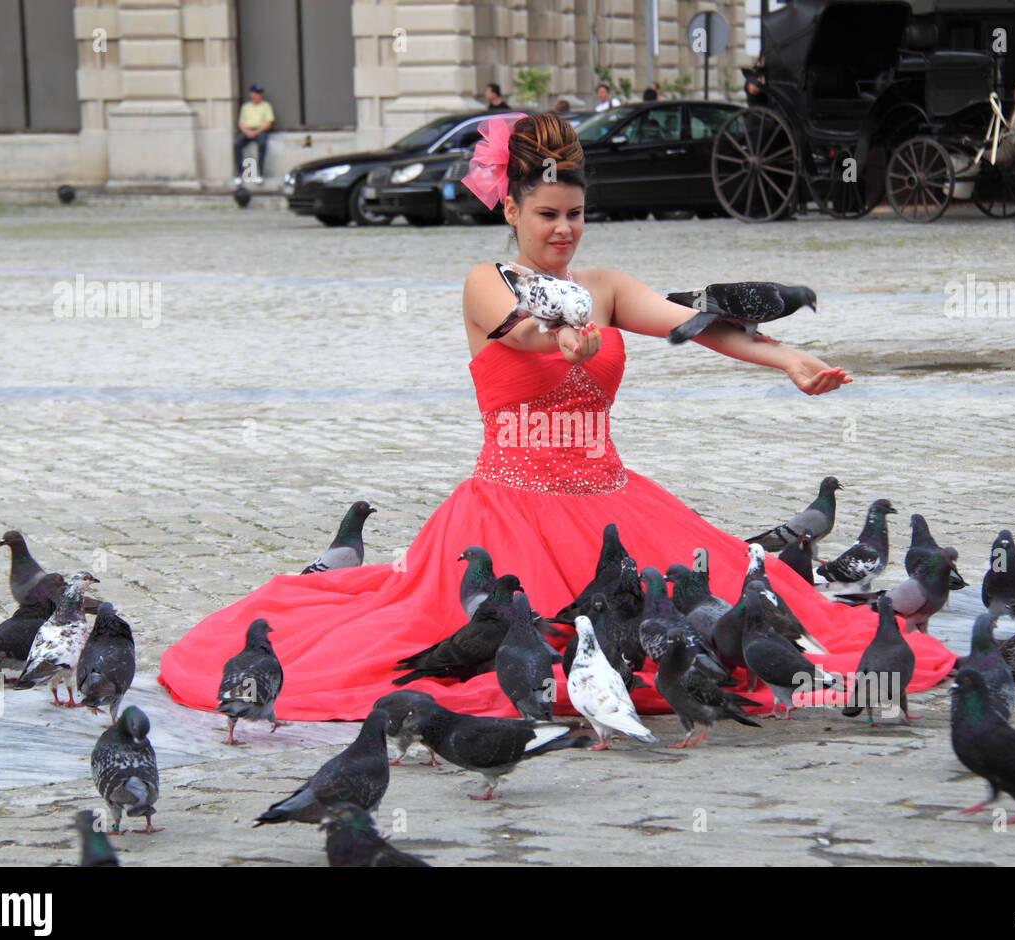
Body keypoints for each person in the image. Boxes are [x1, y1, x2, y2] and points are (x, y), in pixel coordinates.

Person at [159, 112, 956, 722]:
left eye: (575, 214)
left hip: (612, 499)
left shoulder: (604, 284)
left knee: (731, 623)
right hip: (508, 505)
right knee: (513, 651)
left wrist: (789, 361)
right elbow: (523, 327)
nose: (564, 231)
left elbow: (694, 321)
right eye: (547, 215)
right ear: (511, 209)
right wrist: (565, 335)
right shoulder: (484, 281)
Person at [234, 84, 274, 185]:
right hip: (247, 130)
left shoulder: (266, 106)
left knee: (262, 144)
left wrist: (256, 132)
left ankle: (260, 173)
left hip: (260, 130)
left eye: (260, 94)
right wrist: (247, 132)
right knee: (237, 143)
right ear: (251, 94)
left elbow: (268, 123)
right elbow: (241, 123)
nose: (259, 95)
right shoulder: (245, 107)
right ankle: (240, 173)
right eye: (256, 93)